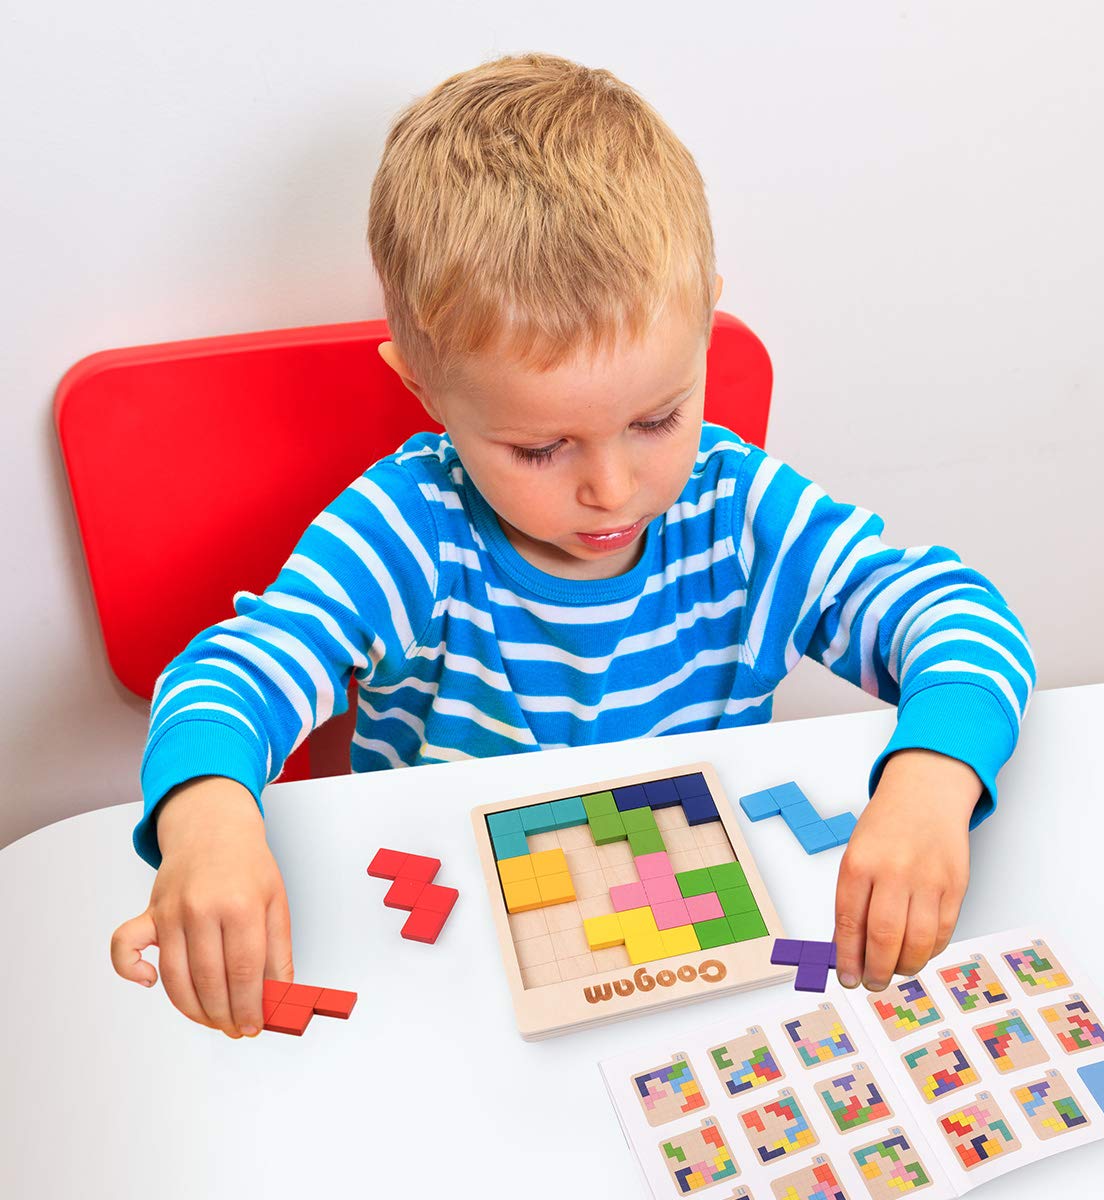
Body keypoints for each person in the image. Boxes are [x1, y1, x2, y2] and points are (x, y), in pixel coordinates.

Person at [110, 52, 1036, 1039]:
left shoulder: (737, 509)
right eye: (541, 448)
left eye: (657, 419)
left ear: (705, 331)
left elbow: (959, 618)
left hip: (695, 951)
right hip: (461, 969)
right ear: (425, 389)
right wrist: (207, 818)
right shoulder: (409, 532)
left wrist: (933, 778)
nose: (611, 487)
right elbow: (236, 674)